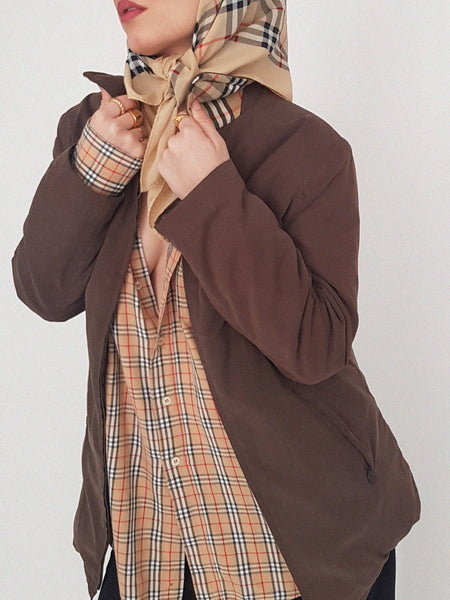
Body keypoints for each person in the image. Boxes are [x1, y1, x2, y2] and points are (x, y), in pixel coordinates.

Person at [11, 1, 421, 599]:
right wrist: (94, 167)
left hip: (295, 556)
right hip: (148, 550)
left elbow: (315, 347)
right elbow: (44, 290)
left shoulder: (306, 147)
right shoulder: (98, 126)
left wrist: (212, 193)